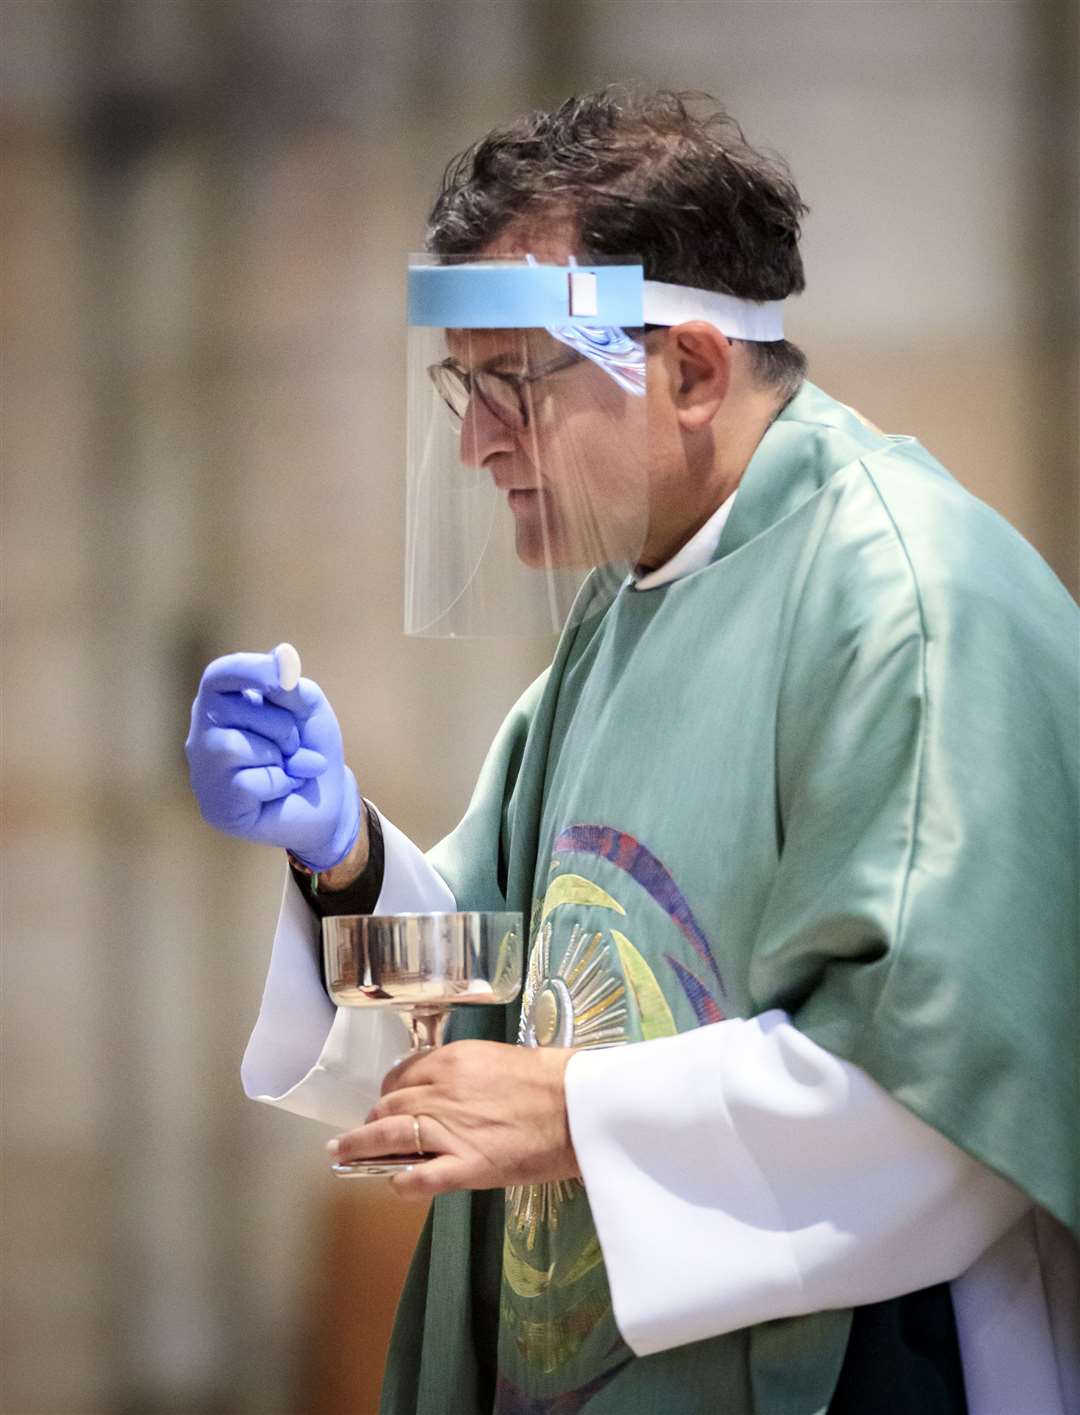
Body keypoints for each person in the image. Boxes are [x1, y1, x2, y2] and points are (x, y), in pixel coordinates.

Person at [186, 89, 1078, 1415]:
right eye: (461, 386)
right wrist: (348, 862)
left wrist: (577, 1114)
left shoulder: (911, 600)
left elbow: (949, 1092)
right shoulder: (628, 606)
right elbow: (510, 985)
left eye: (512, 385)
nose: (480, 443)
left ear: (695, 370)